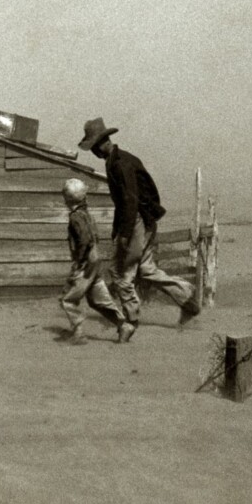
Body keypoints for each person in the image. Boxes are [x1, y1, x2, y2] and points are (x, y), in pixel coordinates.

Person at [78, 118, 200, 341]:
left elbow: (130, 201)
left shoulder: (120, 164)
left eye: (94, 147)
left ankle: (130, 321)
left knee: (121, 273)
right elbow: (125, 203)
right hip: (141, 220)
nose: (93, 152)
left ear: (102, 143)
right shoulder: (117, 160)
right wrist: (119, 230)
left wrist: (124, 235)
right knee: (147, 269)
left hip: (137, 221)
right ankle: (187, 298)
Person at [59, 178, 126, 343]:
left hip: (86, 262)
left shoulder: (75, 217)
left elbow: (84, 239)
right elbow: (93, 236)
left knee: (68, 299)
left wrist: (80, 262)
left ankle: (78, 333)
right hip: (95, 261)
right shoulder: (87, 214)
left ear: (67, 198)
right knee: (98, 299)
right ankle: (123, 325)